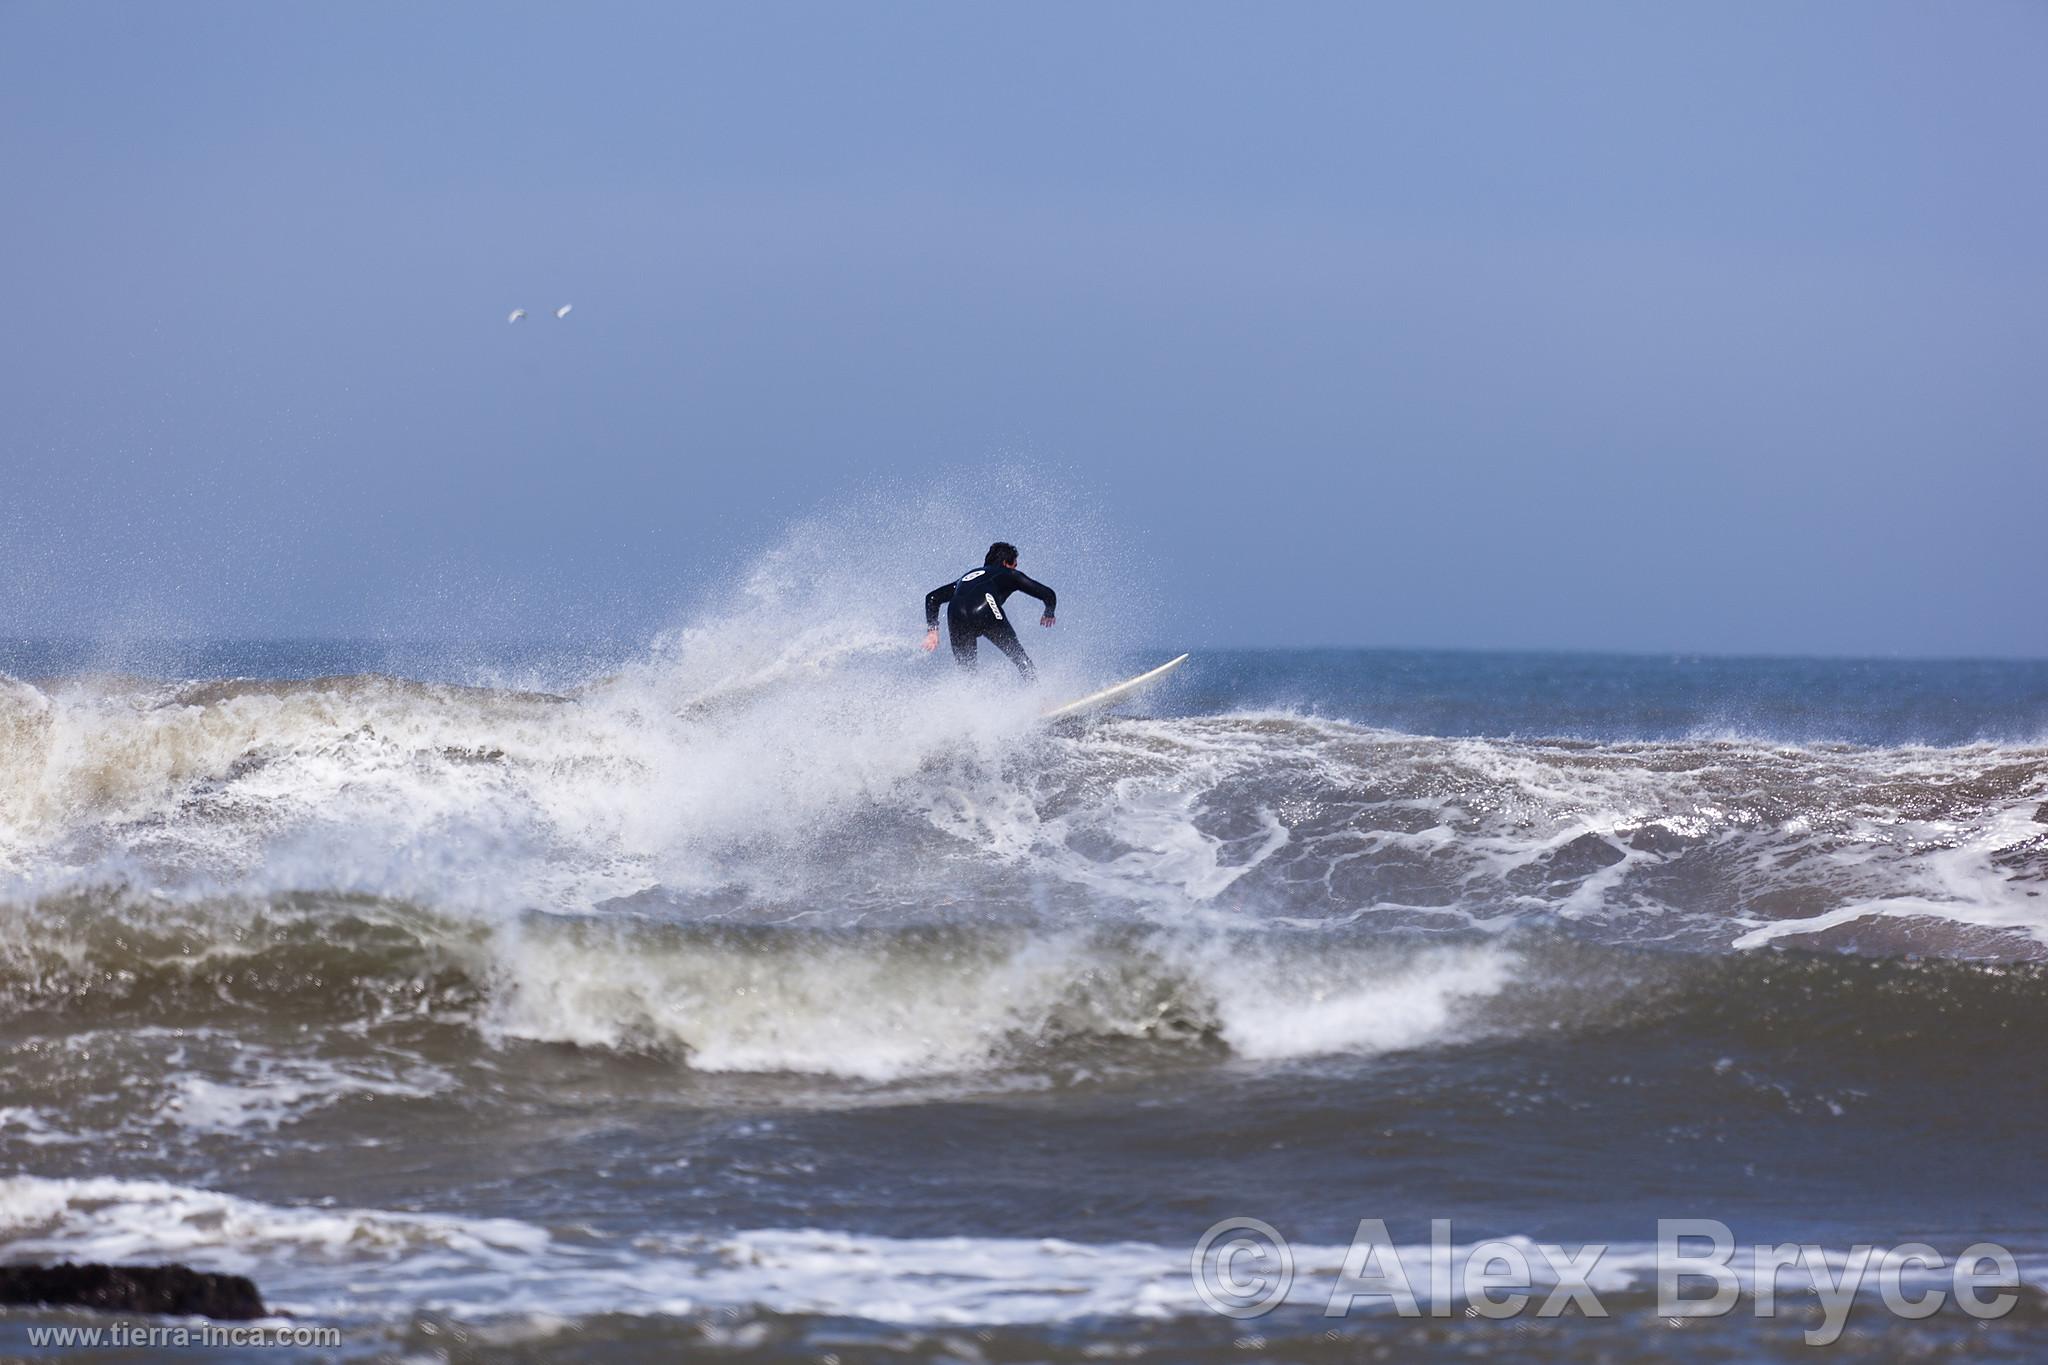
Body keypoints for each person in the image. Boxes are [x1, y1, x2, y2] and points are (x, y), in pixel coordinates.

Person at [923, 542, 1057, 678]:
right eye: (1015, 565)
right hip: (985, 606)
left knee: (967, 673)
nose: (1015, 569)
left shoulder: (967, 577)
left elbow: (932, 598)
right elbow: (1048, 594)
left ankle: (967, 697)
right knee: (1019, 657)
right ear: (1006, 563)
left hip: (955, 613)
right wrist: (1049, 612)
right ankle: (1038, 692)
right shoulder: (1009, 574)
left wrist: (932, 630)